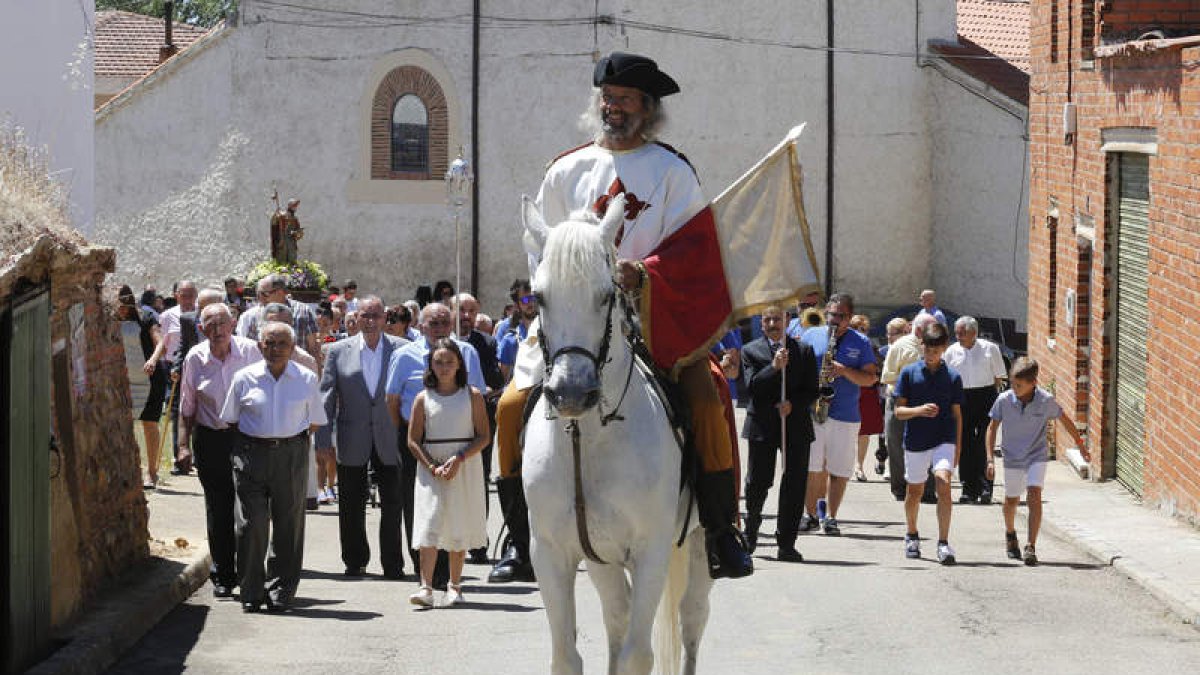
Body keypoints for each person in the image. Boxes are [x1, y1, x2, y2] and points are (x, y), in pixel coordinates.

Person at [490, 51, 754, 583]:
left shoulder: (673, 172)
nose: (612, 108)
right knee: (511, 407)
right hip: (572, 326)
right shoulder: (565, 170)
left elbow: (698, 253)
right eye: (607, 99)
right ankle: (520, 540)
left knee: (707, 402)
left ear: (647, 107)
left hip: (655, 322)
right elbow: (540, 251)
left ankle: (722, 531)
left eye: (625, 99)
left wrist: (644, 275)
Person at [220, 322, 327, 612]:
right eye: (269, 343)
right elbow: (230, 418)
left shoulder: (306, 377)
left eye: (282, 344)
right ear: (259, 346)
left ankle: (281, 589)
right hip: (251, 454)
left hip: (291, 454)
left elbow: (315, 420)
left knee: (288, 523)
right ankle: (251, 590)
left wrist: (287, 440)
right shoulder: (244, 378)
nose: (275, 349)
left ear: (293, 349)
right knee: (251, 523)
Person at [385, 303, 486, 582]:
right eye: (433, 323)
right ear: (421, 325)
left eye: (444, 323)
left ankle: (447, 572)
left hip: (459, 441)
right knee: (418, 504)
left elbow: (475, 393)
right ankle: (424, 571)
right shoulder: (403, 355)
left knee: (455, 505)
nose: (439, 328)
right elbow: (392, 399)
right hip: (417, 439)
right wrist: (406, 430)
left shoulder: (467, 353)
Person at [317, 296, 411, 579]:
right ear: (356, 319)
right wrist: (322, 441)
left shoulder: (402, 349)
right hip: (351, 436)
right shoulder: (337, 351)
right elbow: (327, 397)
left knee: (394, 503)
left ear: (385, 319)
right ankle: (355, 560)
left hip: (390, 436)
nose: (370, 321)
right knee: (350, 503)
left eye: (376, 316)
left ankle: (393, 563)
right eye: (365, 316)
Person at [178, 303, 262, 598]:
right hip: (211, 439)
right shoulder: (195, 358)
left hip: (247, 437)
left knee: (251, 507)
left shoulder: (252, 351)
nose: (217, 331)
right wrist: (182, 445)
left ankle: (251, 572)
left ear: (233, 324)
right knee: (219, 508)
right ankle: (223, 574)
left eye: (222, 324)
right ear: (201, 329)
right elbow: (187, 404)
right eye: (210, 325)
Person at [405, 338, 490, 608]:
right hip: (432, 466)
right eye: (439, 362)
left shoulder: (472, 395)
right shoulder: (423, 398)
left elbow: (483, 436)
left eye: (449, 362)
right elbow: (413, 440)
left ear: (459, 365)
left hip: (463, 464)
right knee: (429, 524)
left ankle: (454, 585)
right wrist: (431, 465)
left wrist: (459, 458)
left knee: (458, 522)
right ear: (431, 364)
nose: (444, 368)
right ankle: (426, 586)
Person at [986, 357, 1087, 566]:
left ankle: (1031, 545)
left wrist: (1081, 445)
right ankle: (1010, 532)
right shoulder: (1004, 400)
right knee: (1011, 500)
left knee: (1034, 494)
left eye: (1019, 385)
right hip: (1012, 456)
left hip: (1036, 455)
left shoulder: (1045, 400)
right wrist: (989, 459)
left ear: (1033, 383)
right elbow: (992, 428)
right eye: (1013, 383)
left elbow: (1064, 419)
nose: (1014, 388)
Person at [740, 305, 818, 562]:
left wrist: (793, 404)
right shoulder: (750, 351)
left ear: (787, 320)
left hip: (794, 426)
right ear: (761, 323)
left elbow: (812, 389)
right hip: (762, 425)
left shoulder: (803, 351)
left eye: (777, 318)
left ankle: (786, 542)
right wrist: (774, 368)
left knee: (795, 483)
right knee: (758, 481)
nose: (772, 323)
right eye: (767, 319)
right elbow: (752, 387)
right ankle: (750, 532)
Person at [796, 293, 878, 536]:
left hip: (845, 413)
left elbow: (871, 378)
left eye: (841, 316)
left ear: (849, 317)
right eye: (831, 315)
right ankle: (810, 515)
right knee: (811, 467)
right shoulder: (811, 334)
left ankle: (831, 517)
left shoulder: (861, 342)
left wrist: (844, 371)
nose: (834, 320)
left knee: (840, 468)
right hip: (813, 411)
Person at [894, 322, 963, 565]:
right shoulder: (909, 373)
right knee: (915, 492)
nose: (931, 355)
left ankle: (943, 542)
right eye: (928, 350)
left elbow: (957, 415)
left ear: (944, 348)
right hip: (916, 440)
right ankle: (912, 534)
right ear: (922, 346)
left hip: (944, 439)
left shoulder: (953, 377)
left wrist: (958, 447)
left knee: (943, 484)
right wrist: (919, 410)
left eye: (936, 350)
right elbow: (898, 411)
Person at [455, 293, 504, 564]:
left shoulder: (486, 343)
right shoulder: (439, 340)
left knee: (478, 478)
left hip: (479, 419)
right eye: (461, 309)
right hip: (445, 422)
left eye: (471, 311)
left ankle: (478, 543)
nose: (465, 315)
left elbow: (494, 379)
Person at [945, 316, 1008, 504]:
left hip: (985, 396)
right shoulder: (951, 352)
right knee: (964, 442)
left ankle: (986, 487)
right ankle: (968, 488)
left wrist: (995, 399)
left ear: (974, 333)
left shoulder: (990, 349)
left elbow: (999, 377)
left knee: (984, 441)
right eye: (956, 333)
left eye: (962, 333)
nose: (958, 336)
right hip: (961, 397)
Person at [142, 280, 200, 475]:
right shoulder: (167, 316)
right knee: (176, 411)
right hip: (173, 367)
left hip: (199, 367)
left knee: (200, 411)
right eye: (184, 295)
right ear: (176, 296)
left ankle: (198, 457)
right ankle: (179, 460)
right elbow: (163, 344)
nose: (188, 299)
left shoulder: (201, 313)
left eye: (191, 294)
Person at [880, 313, 938, 501]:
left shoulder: (934, 347)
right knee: (896, 445)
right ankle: (900, 489)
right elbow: (887, 376)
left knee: (928, 444)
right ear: (920, 330)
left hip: (926, 404)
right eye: (931, 329)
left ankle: (928, 491)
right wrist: (912, 381)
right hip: (900, 401)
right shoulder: (900, 346)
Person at [117, 287, 167, 488]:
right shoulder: (112, 319)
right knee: (125, 424)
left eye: (123, 307)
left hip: (150, 378)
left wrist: (153, 360)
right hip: (126, 378)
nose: (120, 311)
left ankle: (151, 473)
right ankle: (129, 467)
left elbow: (161, 343)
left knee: (149, 423)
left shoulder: (146, 318)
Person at [236, 275, 320, 360]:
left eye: (264, 294)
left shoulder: (303, 311)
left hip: (297, 369)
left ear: (280, 292)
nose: (260, 298)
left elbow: (313, 347)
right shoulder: (252, 316)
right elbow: (248, 349)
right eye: (258, 294)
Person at [849, 314, 885, 482]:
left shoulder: (870, 346)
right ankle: (844, 465)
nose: (860, 332)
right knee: (846, 430)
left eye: (863, 329)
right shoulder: (844, 345)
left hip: (868, 391)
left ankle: (859, 466)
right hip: (848, 391)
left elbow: (880, 368)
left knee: (864, 432)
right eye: (855, 328)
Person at [270, 197, 304, 264]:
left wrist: (298, 233)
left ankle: (292, 271)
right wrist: (276, 215)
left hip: (291, 242)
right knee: (282, 259)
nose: (295, 208)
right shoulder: (282, 215)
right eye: (294, 206)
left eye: (296, 206)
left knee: (292, 259)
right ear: (290, 206)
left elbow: (297, 230)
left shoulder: (295, 219)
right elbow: (274, 223)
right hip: (283, 241)